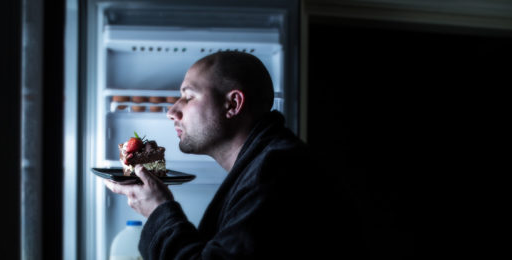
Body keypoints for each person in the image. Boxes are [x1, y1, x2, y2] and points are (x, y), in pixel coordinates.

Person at [104, 51, 365, 259]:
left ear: (233, 104)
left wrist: (158, 210)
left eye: (188, 96)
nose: (172, 111)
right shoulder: (268, 161)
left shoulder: (277, 171)